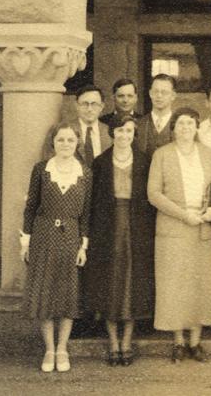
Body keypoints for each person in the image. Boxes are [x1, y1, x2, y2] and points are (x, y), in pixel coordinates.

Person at [147, 107, 211, 363]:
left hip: (203, 227)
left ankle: (196, 341)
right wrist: (183, 215)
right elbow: (154, 193)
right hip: (174, 228)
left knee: (200, 284)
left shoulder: (209, 154)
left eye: (190, 123)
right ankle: (178, 341)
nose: (185, 128)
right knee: (176, 285)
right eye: (180, 124)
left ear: (196, 127)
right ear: (173, 129)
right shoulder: (162, 155)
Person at [84, 114, 155, 367]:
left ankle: (127, 341)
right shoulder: (101, 163)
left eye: (129, 131)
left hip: (137, 228)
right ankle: (112, 341)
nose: (124, 136)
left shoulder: (144, 161)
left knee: (132, 282)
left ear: (134, 134)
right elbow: (92, 203)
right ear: (112, 133)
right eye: (120, 131)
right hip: (108, 229)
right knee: (111, 282)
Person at [20, 122, 91, 373]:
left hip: (70, 236)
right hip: (43, 235)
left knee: (67, 292)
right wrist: (26, 241)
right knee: (46, 292)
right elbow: (30, 208)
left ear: (77, 143)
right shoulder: (41, 170)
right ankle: (49, 349)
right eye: (61, 140)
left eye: (70, 140)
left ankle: (63, 348)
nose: (65, 145)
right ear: (53, 143)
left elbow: (87, 213)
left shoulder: (84, 172)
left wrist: (83, 245)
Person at [42, 84, 111, 165]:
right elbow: (49, 162)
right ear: (77, 105)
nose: (89, 109)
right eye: (85, 104)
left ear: (101, 106)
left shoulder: (110, 132)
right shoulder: (60, 130)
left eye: (94, 104)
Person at [137, 74, 177, 158]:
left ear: (173, 96)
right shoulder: (139, 124)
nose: (159, 96)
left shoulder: (180, 125)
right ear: (150, 93)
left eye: (164, 92)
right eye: (156, 91)